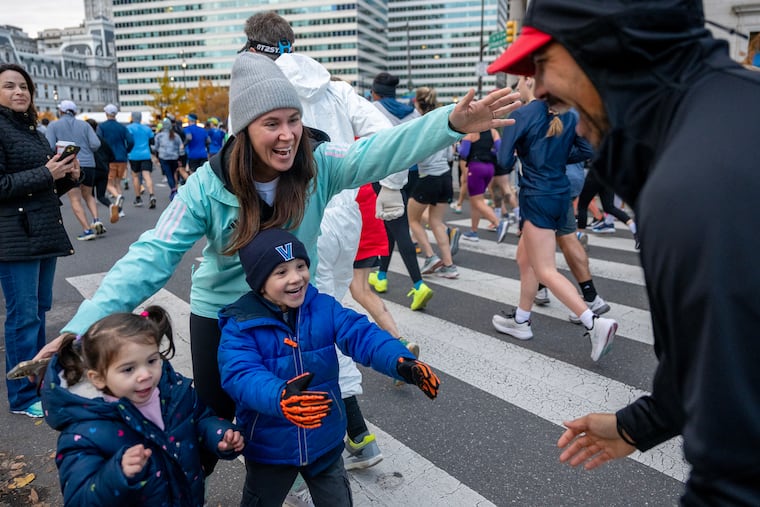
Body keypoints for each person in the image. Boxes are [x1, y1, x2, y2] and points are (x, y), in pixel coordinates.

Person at [33, 52, 518, 471]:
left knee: (296, 413)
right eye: (272, 123)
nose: (287, 135)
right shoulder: (207, 183)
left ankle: (309, 466)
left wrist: (448, 124)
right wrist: (82, 325)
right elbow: (152, 255)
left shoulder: (318, 163)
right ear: (245, 129)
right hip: (221, 312)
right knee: (212, 427)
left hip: (291, 308)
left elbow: (377, 151)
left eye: (293, 119)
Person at [487, 0, 760, 503]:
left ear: (607, 45)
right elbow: (718, 355)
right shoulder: (727, 116)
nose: (540, 88)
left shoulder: (694, 184)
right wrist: (644, 423)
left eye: (542, 63)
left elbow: (737, 474)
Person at [242, 10, 401, 476]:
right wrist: (388, 183)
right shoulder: (333, 85)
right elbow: (386, 134)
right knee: (324, 313)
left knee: (290, 325)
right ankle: (356, 432)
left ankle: (313, 441)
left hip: (292, 213)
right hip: (345, 208)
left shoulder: (257, 86)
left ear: (254, 45)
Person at [217, 229, 440, 506]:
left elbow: (361, 334)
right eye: (281, 272)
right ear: (259, 281)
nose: (296, 277)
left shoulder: (323, 306)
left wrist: (401, 362)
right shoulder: (240, 324)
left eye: (300, 266)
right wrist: (280, 396)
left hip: (325, 439)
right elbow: (240, 374)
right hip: (270, 448)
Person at [41, 306, 244, 505]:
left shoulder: (174, 391)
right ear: (98, 378)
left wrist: (219, 434)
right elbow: (79, 499)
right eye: (129, 368)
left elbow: (199, 419)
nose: (145, 374)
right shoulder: (84, 433)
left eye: (151, 360)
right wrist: (117, 473)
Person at [490, 74, 617, 362]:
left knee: (545, 269)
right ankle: (521, 320)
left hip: (537, 196)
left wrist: (523, 151)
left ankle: (594, 323)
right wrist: (554, 157)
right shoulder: (569, 115)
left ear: (532, 83)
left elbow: (504, 162)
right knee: (526, 259)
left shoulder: (521, 114)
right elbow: (586, 150)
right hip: (560, 194)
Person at [0, 63, 81, 418]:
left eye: (24, 86)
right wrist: (46, 172)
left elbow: (41, 188)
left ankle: (38, 383)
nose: (19, 92)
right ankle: (21, 396)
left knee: (39, 311)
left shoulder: (31, 129)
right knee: (23, 317)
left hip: (42, 231)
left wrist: (66, 176)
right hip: (14, 236)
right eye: (8, 86)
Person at [368, 71, 435, 310]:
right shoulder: (413, 112)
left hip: (387, 175)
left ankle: (419, 285)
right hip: (413, 172)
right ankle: (382, 276)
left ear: (375, 92)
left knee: (398, 227)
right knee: (391, 226)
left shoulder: (373, 109)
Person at [407, 86, 459, 279]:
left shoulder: (420, 123)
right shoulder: (442, 119)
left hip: (428, 177)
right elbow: (450, 152)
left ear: (416, 102)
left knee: (412, 218)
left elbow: (417, 154)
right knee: (436, 221)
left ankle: (429, 256)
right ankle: (449, 266)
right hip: (446, 176)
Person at [45, 99, 104, 240]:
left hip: (68, 164)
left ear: (61, 111)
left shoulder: (54, 125)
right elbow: (96, 144)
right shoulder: (84, 125)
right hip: (89, 164)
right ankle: (96, 220)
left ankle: (87, 230)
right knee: (89, 195)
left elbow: (49, 145)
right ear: (74, 112)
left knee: (75, 199)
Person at [457, 127, 508, 242]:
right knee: (477, 199)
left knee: (477, 201)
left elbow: (464, 153)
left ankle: (498, 223)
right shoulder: (493, 131)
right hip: (489, 167)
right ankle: (473, 231)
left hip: (476, 167)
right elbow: (500, 149)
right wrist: (490, 152)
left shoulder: (470, 132)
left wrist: (459, 147)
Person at [97, 104, 134, 223]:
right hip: (122, 156)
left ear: (106, 113)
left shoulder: (102, 127)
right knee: (118, 182)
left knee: (108, 182)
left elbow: (98, 141)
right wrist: (126, 150)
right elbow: (131, 140)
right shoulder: (122, 127)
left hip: (109, 158)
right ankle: (120, 208)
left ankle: (117, 197)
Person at [126, 111, 157, 209]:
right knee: (147, 176)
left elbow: (128, 141)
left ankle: (138, 198)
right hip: (146, 154)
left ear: (132, 117)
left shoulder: (129, 128)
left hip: (133, 155)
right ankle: (152, 195)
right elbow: (152, 140)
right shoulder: (147, 129)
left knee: (135, 177)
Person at [85, 118, 116, 213]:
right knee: (101, 195)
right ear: (96, 127)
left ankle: (96, 218)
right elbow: (112, 156)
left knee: (90, 195)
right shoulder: (102, 140)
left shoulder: (85, 141)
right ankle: (112, 206)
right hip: (103, 169)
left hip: (91, 169)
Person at [153, 118, 183, 200]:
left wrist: (153, 149)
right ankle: (175, 188)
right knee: (173, 173)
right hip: (174, 157)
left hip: (164, 157)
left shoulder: (159, 136)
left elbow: (156, 147)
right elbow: (181, 146)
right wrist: (180, 155)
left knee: (169, 174)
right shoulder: (176, 136)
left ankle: (173, 190)